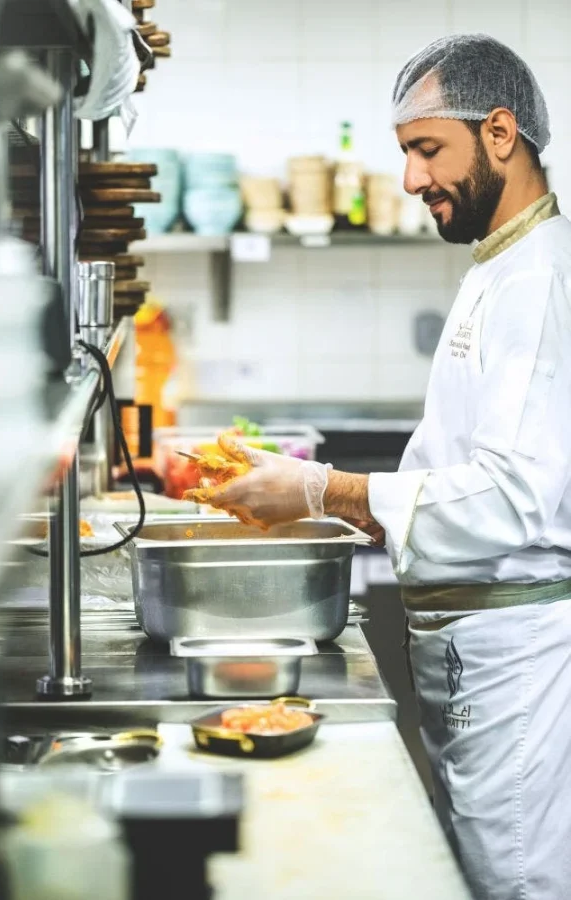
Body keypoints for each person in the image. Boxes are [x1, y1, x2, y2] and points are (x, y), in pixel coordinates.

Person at [185, 34, 571, 900]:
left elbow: (513, 500)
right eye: (405, 154)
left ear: (500, 133)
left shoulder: (540, 282)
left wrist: (327, 489)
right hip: (474, 654)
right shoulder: (498, 263)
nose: (411, 180)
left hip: (518, 662)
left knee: (516, 881)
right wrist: (322, 495)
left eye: (427, 149)